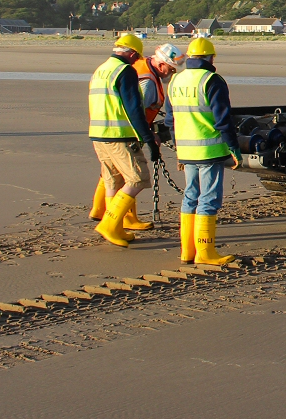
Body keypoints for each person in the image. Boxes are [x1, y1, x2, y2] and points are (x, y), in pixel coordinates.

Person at [89, 42, 185, 230]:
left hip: (102, 131)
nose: (171, 74)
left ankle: (102, 211)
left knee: (112, 176)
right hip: (124, 133)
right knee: (132, 177)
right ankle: (114, 221)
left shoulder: (112, 68)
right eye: (171, 70)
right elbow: (135, 110)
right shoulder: (148, 82)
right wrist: (148, 137)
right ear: (161, 65)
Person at [167, 37, 241, 265]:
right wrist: (234, 148)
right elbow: (223, 120)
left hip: (187, 151)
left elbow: (171, 120)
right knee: (208, 199)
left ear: (190, 56)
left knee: (190, 197)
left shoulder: (175, 80)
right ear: (211, 58)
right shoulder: (212, 80)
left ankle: (187, 251)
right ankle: (206, 252)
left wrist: (178, 148)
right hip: (209, 151)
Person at [88, 33, 160, 247]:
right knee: (138, 178)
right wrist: (147, 138)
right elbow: (134, 109)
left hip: (99, 134)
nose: (136, 62)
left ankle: (116, 227)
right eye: (136, 58)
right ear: (131, 53)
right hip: (119, 135)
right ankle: (110, 225)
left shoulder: (101, 70)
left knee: (113, 180)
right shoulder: (124, 71)